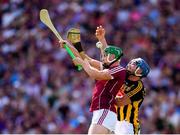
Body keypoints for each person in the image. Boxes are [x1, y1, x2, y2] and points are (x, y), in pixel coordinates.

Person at [59, 28, 126, 134]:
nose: (103, 57)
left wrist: (83, 63)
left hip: (105, 110)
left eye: (106, 55)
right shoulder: (106, 67)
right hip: (104, 112)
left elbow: (96, 74)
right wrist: (68, 46)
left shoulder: (119, 70)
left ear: (113, 57)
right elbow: (86, 59)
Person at [96, 26, 150, 135]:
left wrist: (106, 94)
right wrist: (102, 39)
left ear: (139, 72)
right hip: (115, 120)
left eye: (134, 65)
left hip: (128, 125)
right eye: (131, 62)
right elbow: (111, 59)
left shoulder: (138, 87)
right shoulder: (123, 74)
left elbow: (120, 102)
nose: (130, 64)